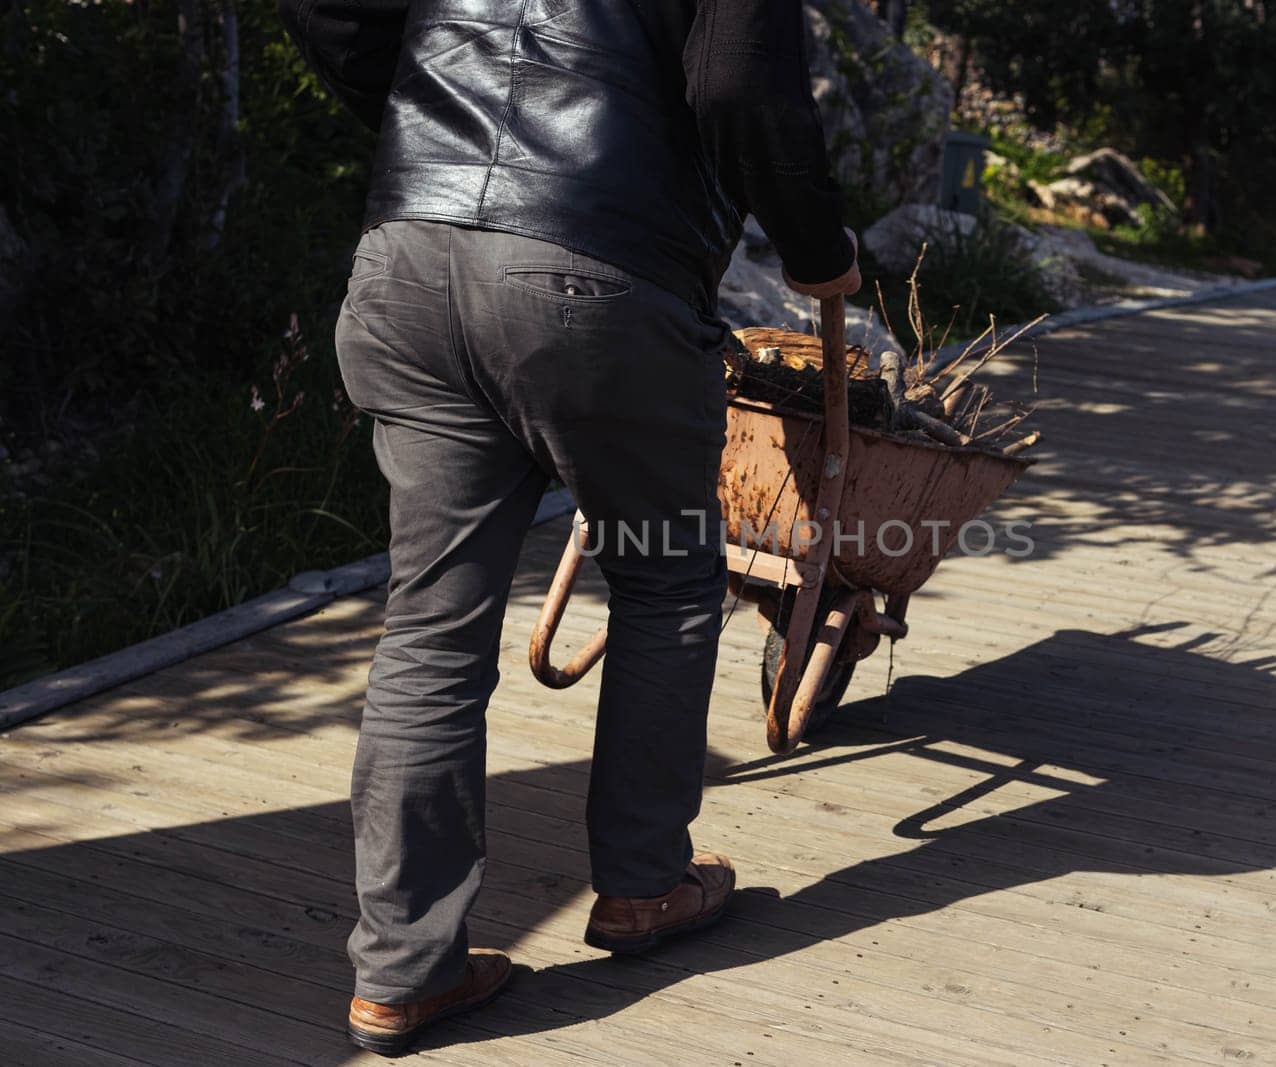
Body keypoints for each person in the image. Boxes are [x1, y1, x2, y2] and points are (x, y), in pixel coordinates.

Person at [280, 0, 862, 1054]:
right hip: (595, 277)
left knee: (430, 625)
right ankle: (643, 888)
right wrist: (820, 250)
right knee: (666, 577)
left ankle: (403, 974)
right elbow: (740, 88)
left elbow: (330, 12)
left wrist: (425, 118)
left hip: (409, 255)